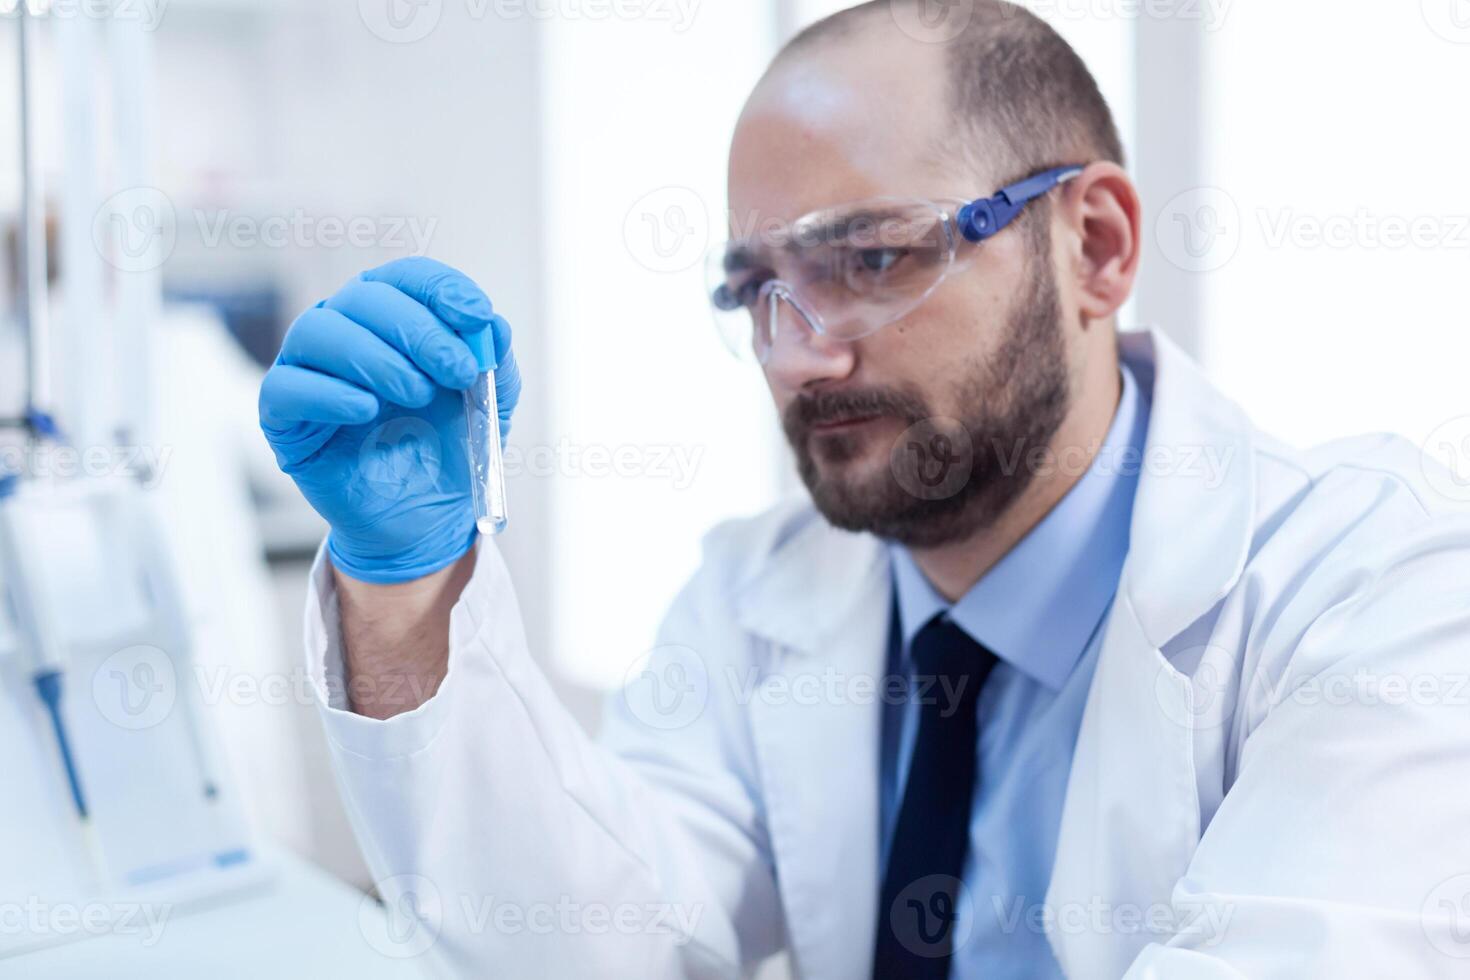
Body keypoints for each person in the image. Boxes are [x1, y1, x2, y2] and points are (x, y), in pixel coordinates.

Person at [258, 2, 1470, 977]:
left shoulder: (1380, 591)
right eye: (757, 291)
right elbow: (599, 942)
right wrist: (406, 588)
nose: (798, 353)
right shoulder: (756, 591)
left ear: (1095, 245)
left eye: (874, 257)